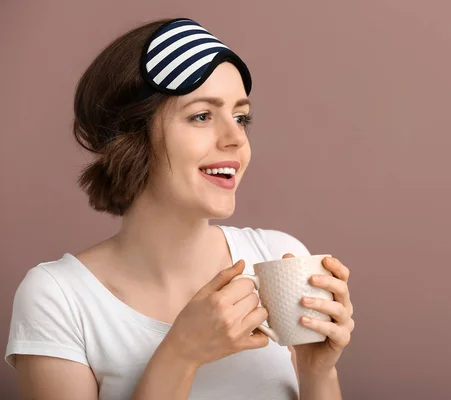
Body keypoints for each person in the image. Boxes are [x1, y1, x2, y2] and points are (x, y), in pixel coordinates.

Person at [5, 17, 354, 400]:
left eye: (241, 117)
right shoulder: (59, 298)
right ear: (131, 137)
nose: (236, 138)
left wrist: (317, 371)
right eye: (202, 115)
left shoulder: (277, 259)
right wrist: (180, 355)